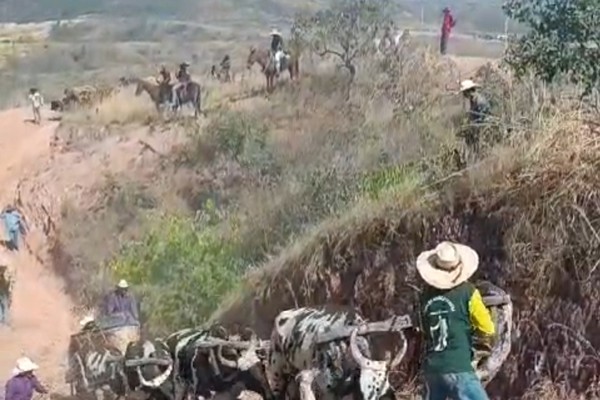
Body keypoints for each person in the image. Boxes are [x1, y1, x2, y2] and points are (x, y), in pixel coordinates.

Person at [416, 241, 495, 400]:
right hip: (458, 367)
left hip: (433, 370)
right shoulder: (468, 292)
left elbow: (425, 330)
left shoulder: (424, 297)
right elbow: (488, 328)